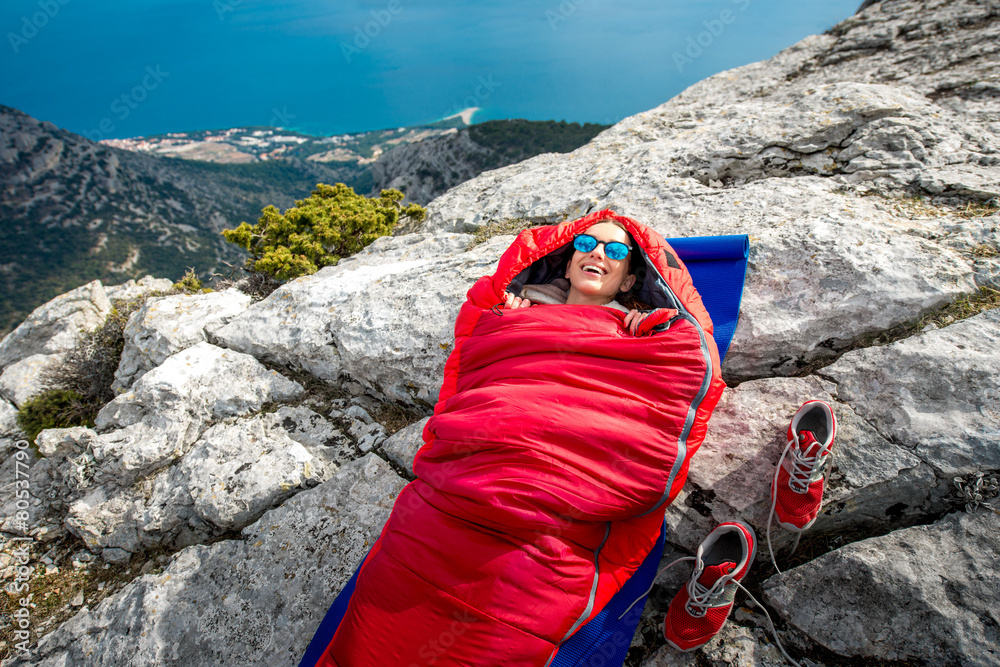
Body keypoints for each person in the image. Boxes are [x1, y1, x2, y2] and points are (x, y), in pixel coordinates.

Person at [501, 219, 656, 335]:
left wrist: (647, 329)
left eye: (616, 251)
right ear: (568, 269)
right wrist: (508, 322)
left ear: (627, 282)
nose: (597, 253)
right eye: (586, 243)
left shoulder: (631, 326)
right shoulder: (522, 303)